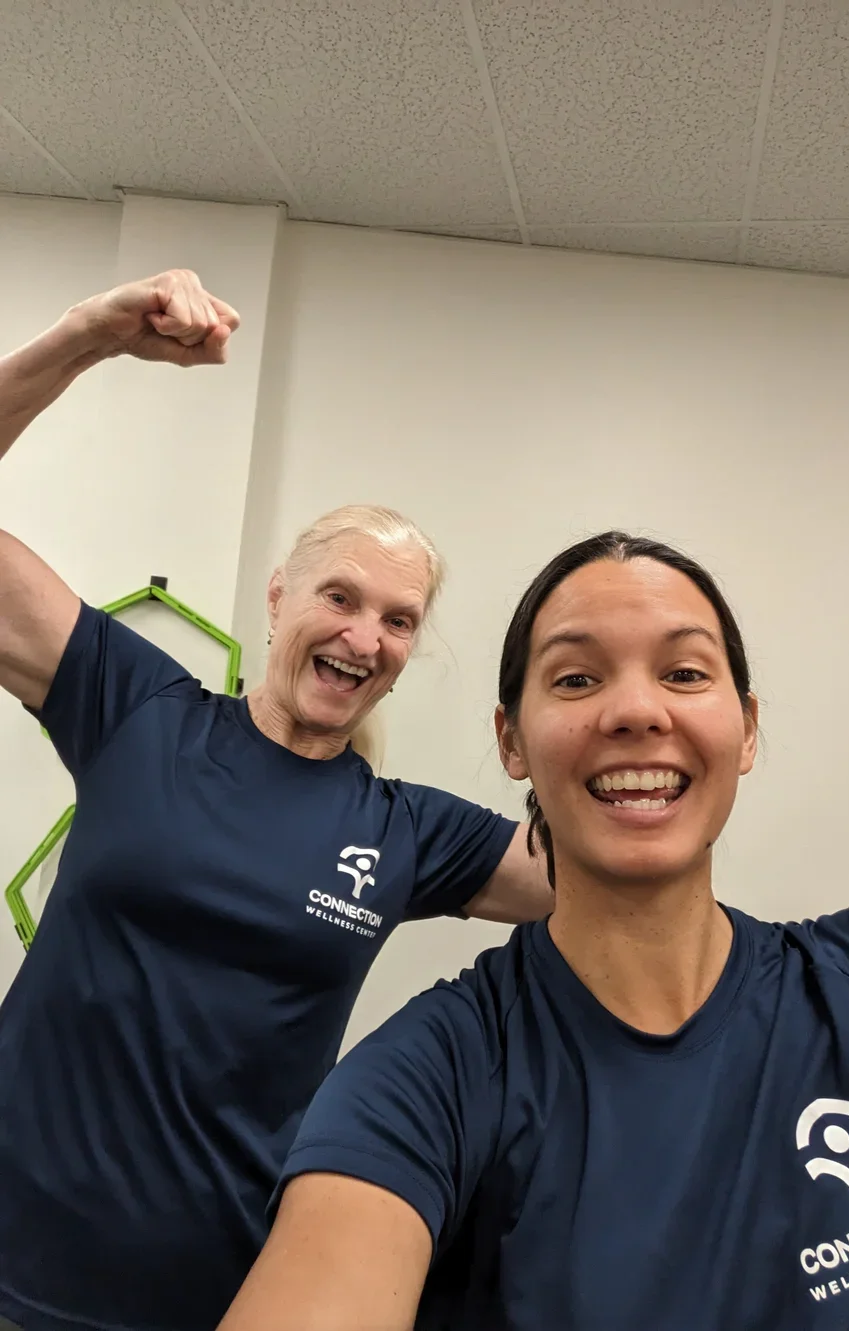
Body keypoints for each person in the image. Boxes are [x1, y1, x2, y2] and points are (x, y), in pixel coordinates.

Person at [219, 361, 849, 1331]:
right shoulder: (425, 1080)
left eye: (682, 669)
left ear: (745, 727)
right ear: (511, 740)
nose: (636, 709)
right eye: (577, 678)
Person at [0, 269, 553, 1331]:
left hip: (213, 1289)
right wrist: (85, 337)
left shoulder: (409, 830)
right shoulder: (139, 710)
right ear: (278, 597)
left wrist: (601, 706)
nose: (361, 635)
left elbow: (614, 874)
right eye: (339, 596)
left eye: (396, 619)